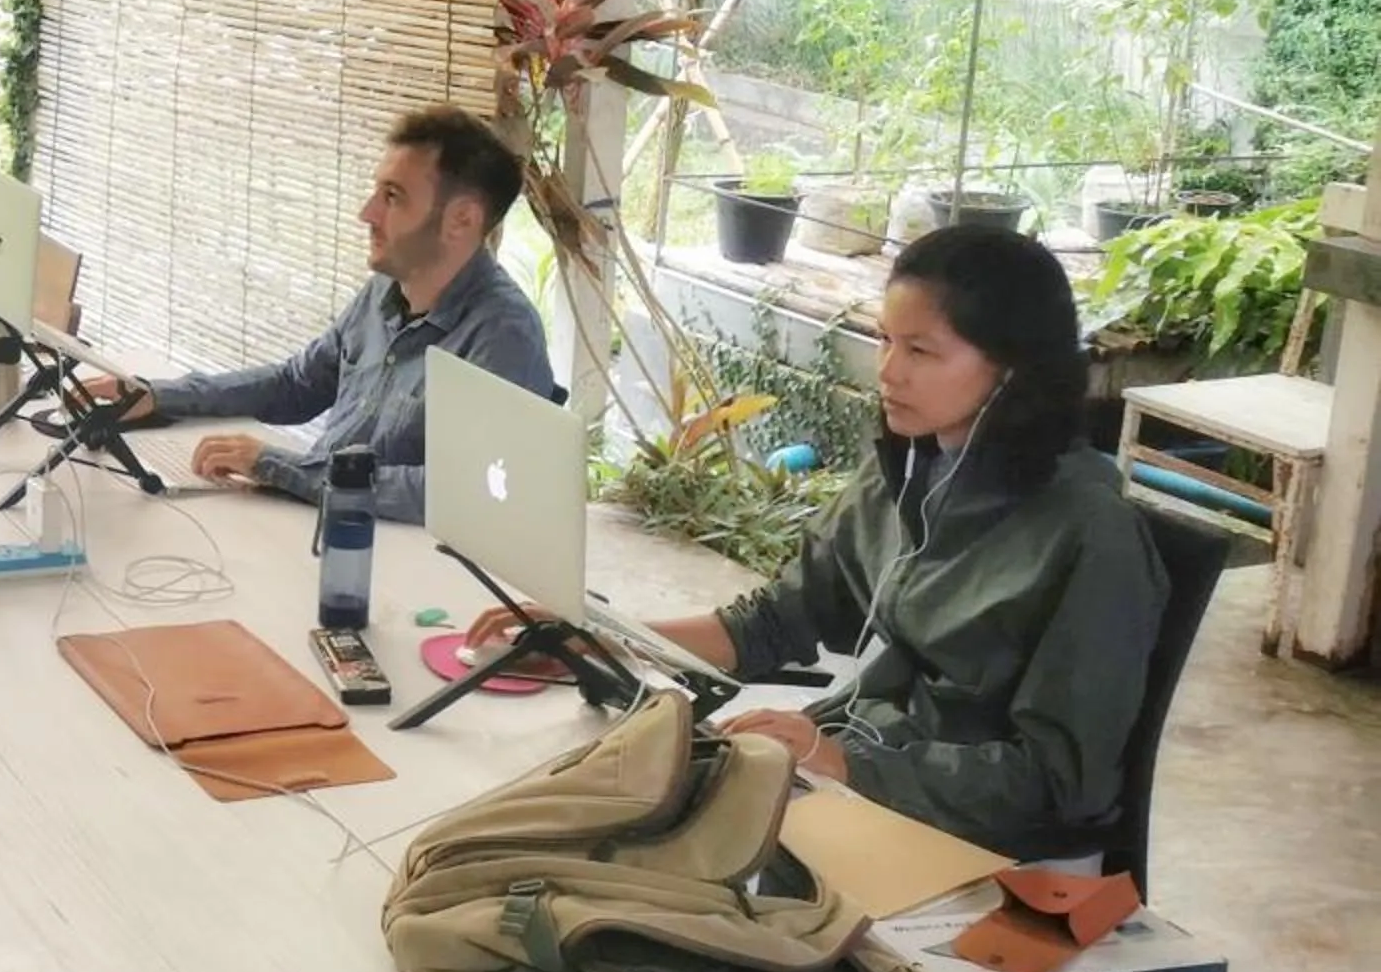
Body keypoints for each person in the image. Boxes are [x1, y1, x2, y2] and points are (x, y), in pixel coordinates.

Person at [484, 225, 1164, 861]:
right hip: (854, 775)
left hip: (973, 843)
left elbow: (1058, 783)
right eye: (885, 340)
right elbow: (776, 621)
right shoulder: (908, 466)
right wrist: (604, 636)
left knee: (640, 878)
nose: (888, 372)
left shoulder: (1090, 536)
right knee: (573, 819)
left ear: (1014, 368)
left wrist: (842, 761)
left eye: (921, 350)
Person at [83, 104, 556, 517]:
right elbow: (295, 386)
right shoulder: (385, 290)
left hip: (393, 565)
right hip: (312, 523)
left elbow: (464, 493)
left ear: (462, 220)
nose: (366, 212)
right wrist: (160, 396)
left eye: (393, 196)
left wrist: (280, 466)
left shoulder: (504, 336)